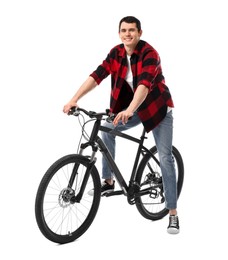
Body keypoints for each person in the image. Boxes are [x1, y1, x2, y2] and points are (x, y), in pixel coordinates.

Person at [63, 16, 179, 234]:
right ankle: (108, 181)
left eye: (132, 30)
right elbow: (97, 75)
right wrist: (74, 99)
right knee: (107, 129)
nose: (128, 34)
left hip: (156, 109)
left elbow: (144, 86)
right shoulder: (116, 52)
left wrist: (129, 110)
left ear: (140, 33)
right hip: (131, 107)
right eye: (124, 30)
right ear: (119, 34)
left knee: (165, 157)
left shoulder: (149, 54)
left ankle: (172, 213)